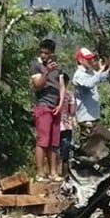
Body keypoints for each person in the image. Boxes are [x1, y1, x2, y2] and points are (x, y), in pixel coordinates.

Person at [30, 39, 65, 181]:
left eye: (47, 53)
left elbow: (62, 86)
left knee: (54, 142)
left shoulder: (58, 67)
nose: (43, 55)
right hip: (43, 106)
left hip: (56, 107)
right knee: (43, 141)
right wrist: (47, 71)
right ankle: (40, 173)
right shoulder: (36, 65)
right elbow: (38, 84)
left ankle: (53, 172)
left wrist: (60, 104)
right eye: (42, 52)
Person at [73, 47, 110, 139]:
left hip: (94, 116)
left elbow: (104, 78)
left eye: (91, 58)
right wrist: (100, 70)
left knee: (99, 142)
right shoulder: (78, 75)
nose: (91, 61)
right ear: (80, 60)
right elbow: (90, 83)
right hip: (86, 118)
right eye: (87, 59)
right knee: (89, 144)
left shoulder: (91, 72)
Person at [58, 73, 77, 176]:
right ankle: (64, 175)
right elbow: (72, 112)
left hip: (55, 126)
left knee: (53, 151)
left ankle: (53, 174)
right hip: (66, 126)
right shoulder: (69, 94)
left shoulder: (53, 94)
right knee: (65, 154)